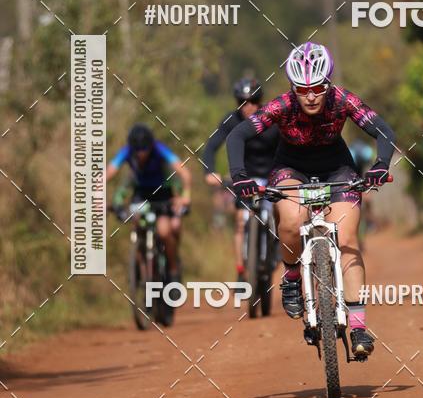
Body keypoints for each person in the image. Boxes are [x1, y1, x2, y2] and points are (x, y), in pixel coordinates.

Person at [226, 43, 395, 358]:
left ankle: (358, 326)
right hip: (291, 169)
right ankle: (291, 277)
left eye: (318, 88)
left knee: (347, 240)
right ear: (293, 88)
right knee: (289, 220)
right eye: (303, 89)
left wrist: (380, 165)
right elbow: (238, 136)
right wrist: (240, 177)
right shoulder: (281, 106)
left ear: (327, 84)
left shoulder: (343, 99)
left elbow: (383, 130)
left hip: (338, 168)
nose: (311, 96)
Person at [202, 78, 279, 281]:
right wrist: (210, 171)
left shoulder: (273, 117)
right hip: (244, 178)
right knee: (240, 221)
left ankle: (278, 248)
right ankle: (240, 269)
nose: (248, 107)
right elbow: (211, 146)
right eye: (242, 102)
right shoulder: (231, 120)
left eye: (253, 101)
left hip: (273, 177)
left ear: (260, 101)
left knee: (280, 213)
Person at [106, 123, 192, 281]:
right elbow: (108, 173)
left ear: (151, 146)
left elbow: (184, 172)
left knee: (164, 231)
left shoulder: (160, 149)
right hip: (141, 193)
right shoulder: (126, 151)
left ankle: (173, 270)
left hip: (162, 194)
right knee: (137, 222)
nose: (141, 154)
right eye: (138, 151)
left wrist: (186, 196)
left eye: (145, 150)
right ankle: (141, 267)